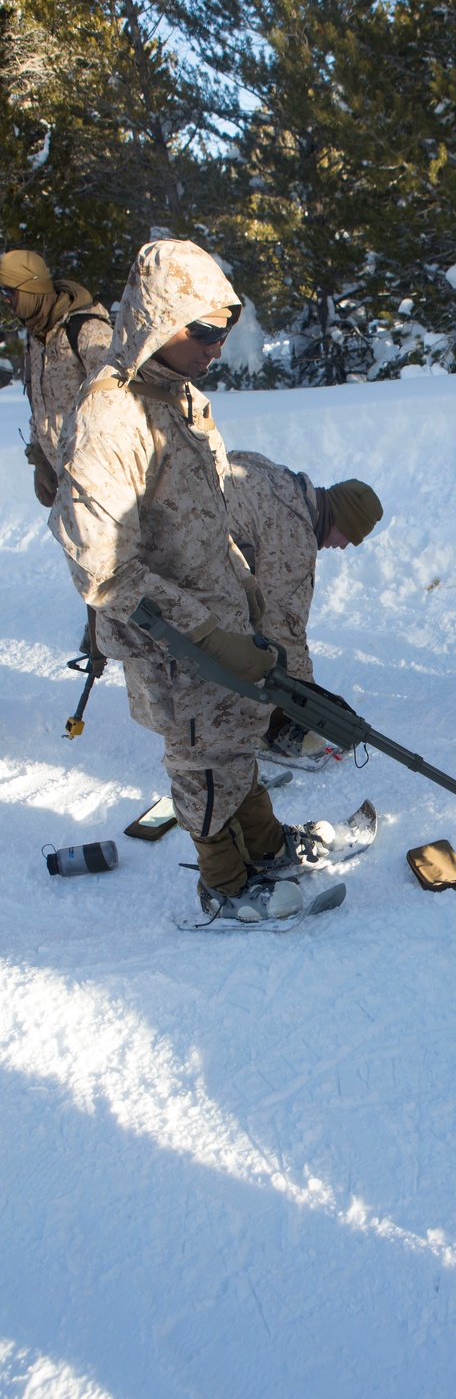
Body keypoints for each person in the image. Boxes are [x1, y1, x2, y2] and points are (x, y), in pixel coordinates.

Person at [51, 238, 338, 924]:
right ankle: (224, 883)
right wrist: (205, 630)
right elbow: (103, 565)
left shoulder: (183, 400)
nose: (215, 346)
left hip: (221, 621)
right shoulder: (108, 418)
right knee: (200, 757)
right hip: (169, 637)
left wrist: (248, 600)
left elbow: (210, 520)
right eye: (203, 330)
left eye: (224, 332)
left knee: (234, 738)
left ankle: (264, 846)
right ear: (157, 320)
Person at [226, 450, 383, 763]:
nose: (344, 546)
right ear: (338, 518)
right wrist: (308, 707)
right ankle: (248, 729)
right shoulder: (294, 536)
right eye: (349, 535)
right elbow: (285, 634)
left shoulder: (283, 480)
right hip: (188, 560)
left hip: (181, 520)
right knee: (250, 637)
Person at [0, 248, 112, 508]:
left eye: (9, 292)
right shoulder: (36, 337)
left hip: (103, 480)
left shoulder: (87, 331)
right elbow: (40, 402)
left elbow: (129, 401)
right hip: (67, 479)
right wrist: (41, 458)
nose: (5, 301)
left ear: (29, 289)